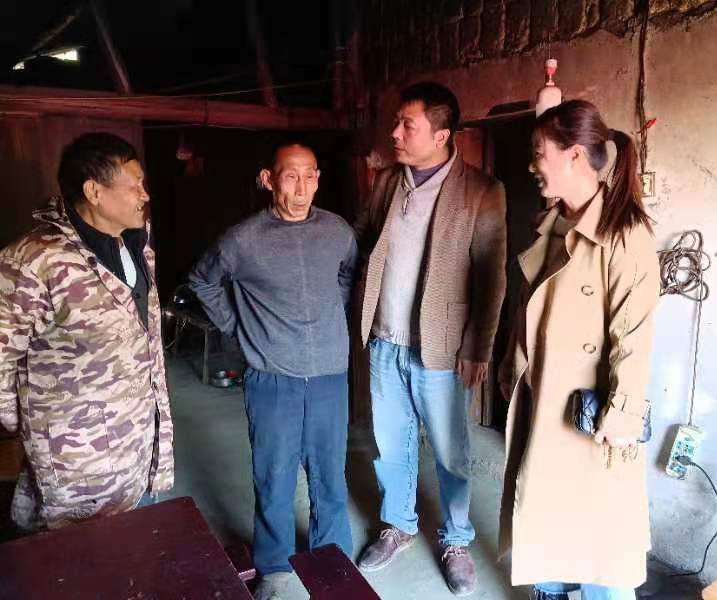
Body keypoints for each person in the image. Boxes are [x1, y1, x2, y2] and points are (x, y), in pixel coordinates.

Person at [497, 99, 660, 600]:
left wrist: (624, 414)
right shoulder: (550, 224)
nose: (532, 164)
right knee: (545, 529)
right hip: (543, 399)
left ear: (573, 155)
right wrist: (510, 368)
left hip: (592, 417)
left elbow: (635, 334)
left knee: (599, 549)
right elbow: (528, 312)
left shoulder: (625, 232)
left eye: (539, 152)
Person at [355, 82, 507, 597]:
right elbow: (362, 241)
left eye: (408, 125)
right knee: (389, 445)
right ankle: (398, 524)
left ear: (441, 135)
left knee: (450, 453)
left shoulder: (481, 190)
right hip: (385, 341)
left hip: (442, 348)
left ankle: (456, 540)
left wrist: (479, 348)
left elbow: (491, 277)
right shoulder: (385, 183)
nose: (395, 133)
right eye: (396, 123)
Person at [189, 143, 358, 600]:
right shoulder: (242, 240)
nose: (301, 189)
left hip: (329, 375)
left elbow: (347, 274)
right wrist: (237, 328)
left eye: (309, 176)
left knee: (329, 473)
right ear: (268, 179)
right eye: (290, 177)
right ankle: (275, 564)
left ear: (319, 179)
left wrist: (330, 311)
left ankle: (331, 555)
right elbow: (203, 281)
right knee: (274, 474)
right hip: (271, 377)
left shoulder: (337, 231)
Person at [0, 132, 174, 531]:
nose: (145, 195)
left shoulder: (136, 245)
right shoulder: (35, 261)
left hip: (138, 439)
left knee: (135, 544)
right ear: (94, 192)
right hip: (76, 457)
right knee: (81, 555)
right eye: (134, 185)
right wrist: (27, 422)